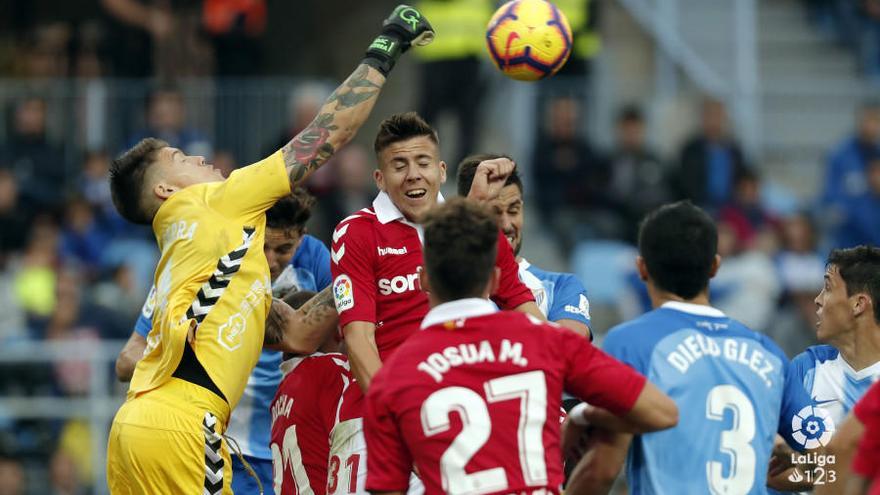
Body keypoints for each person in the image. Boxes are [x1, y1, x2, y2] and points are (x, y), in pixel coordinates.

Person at [105, 7, 434, 493]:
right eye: (180, 159)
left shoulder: (191, 257)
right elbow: (329, 134)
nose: (198, 157)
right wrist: (386, 45)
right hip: (184, 425)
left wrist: (364, 270)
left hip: (134, 427)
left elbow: (299, 335)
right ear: (166, 192)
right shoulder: (214, 200)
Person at [363, 198, 678, 495]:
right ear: (497, 279)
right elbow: (662, 412)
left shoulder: (391, 379)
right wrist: (581, 418)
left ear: (423, 279)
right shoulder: (547, 341)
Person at [571, 201, 816, 494]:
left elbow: (603, 469)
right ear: (715, 266)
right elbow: (832, 467)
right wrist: (787, 474)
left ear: (641, 268)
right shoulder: (769, 353)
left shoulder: (630, 343)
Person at [114, 189, 332, 494]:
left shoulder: (315, 259)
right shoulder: (203, 261)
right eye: (263, 246)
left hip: (292, 446)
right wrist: (195, 360)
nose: (270, 262)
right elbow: (127, 360)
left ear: (302, 238)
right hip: (220, 443)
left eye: (284, 249)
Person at [330, 112, 541, 393]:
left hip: (474, 393)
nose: (413, 175)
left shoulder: (477, 227)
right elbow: (359, 339)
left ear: (441, 171)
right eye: (399, 165)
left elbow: (525, 310)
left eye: (423, 163)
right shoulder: (357, 233)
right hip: (391, 397)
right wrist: (393, 411)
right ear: (379, 179)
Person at [775, 245, 880, 493]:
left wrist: (806, 466)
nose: (817, 300)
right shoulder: (806, 368)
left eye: (828, 288)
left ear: (858, 304)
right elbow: (775, 471)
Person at [457, 153, 591, 338]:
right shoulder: (448, 282)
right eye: (493, 212)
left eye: (514, 210)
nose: (506, 224)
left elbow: (571, 348)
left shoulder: (561, 286)